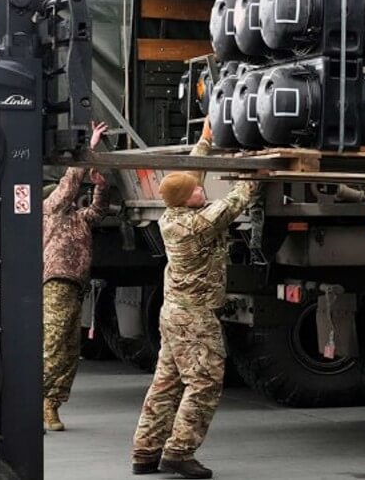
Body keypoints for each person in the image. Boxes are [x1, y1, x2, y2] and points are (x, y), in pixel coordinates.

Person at [131, 119, 257, 478]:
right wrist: (253, 167)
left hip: (174, 315)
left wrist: (204, 143)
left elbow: (192, 177)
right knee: (204, 383)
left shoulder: (174, 214)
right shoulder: (196, 225)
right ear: (189, 200)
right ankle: (179, 452)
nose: (202, 190)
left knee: (166, 383)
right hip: (195, 319)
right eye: (196, 191)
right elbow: (238, 199)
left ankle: (145, 452)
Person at [43, 121, 109, 431]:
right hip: (56, 283)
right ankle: (38, 400)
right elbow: (69, 184)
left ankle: (52, 404)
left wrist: (100, 186)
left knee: (70, 350)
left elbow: (97, 212)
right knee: (54, 344)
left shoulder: (78, 219)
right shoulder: (51, 210)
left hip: (75, 287)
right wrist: (90, 149)